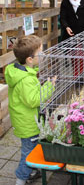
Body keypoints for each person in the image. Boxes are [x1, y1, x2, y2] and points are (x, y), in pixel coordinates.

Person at [5, 35, 56, 185]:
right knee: (29, 153)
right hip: (28, 124)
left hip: (24, 120)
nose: (44, 54)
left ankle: (32, 171)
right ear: (29, 59)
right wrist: (49, 86)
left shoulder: (20, 70)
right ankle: (21, 179)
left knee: (30, 148)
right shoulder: (26, 80)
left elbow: (30, 74)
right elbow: (33, 100)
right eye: (41, 52)